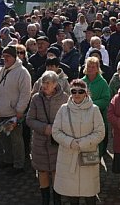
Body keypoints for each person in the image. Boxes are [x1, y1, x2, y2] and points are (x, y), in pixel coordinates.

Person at [52, 79, 105, 205]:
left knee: (89, 194)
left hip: (87, 155)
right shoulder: (63, 109)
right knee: (72, 195)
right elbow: (56, 131)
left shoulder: (94, 109)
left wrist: (83, 143)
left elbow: (100, 133)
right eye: (73, 91)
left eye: (80, 91)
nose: (77, 94)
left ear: (86, 93)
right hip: (68, 156)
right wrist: (70, 142)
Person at [0, 45, 31, 174]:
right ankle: (8, 160)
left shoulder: (22, 72)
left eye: (8, 56)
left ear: (14, 57)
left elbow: (25, 93)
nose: (5, 59)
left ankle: (19, 165)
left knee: (16, 140)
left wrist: (20, 110)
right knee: (4, 139)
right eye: (3, 56)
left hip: (13, 114)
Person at [27, 71, 69, 204]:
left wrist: (57, 129)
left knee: (57, 172)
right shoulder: (36, 98)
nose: (44, 85)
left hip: (57, 142)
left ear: (55, 84)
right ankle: (45, 200)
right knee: (43, 172)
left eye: (48, 83)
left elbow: (68, 119)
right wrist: (44, 128)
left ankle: (57, 200)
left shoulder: (65, 98)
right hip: (40, 143)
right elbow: (29, 119)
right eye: (43, 83)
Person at [82, 56, 111, 154]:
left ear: (97, 68)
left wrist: (91, 104)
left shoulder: (103, 83)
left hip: (98, 114)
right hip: (83, 116)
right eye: (89, 66)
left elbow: (106, 99)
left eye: (93, 67)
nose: (90, 69)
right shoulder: (82, 82)